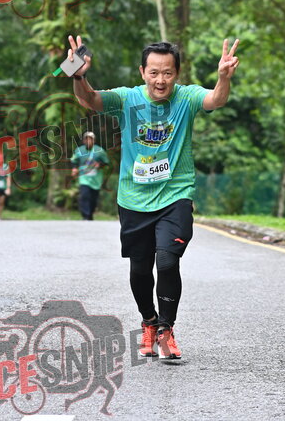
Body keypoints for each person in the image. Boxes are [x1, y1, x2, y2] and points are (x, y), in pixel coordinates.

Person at [67, 33, 239, 359]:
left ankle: (166, 328)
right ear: (142, 72)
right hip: (134, 199)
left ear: (177, 73)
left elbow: (215, 100)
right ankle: (148, 320)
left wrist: (223, 78)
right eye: (154, 73)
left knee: (168, 260)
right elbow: (89, 99)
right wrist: (78, 76)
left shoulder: (186, 98)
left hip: (175, 195)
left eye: (168, 73)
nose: (161, 80)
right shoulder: (127, 99)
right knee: (140, 269)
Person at [71, 131, 110, 220]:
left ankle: (90, 214)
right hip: (84, 177)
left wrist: (99, 165)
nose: (88, 141)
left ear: (94, 140)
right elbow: (74, 161)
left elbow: (106, 162)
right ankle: (86, 216)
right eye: (86, 139)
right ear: (83, 140)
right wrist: (74, 168)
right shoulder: (79, 150)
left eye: (90, 139)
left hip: (96, 178)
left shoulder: (100, 151)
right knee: (84, 195)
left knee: (93, 198)